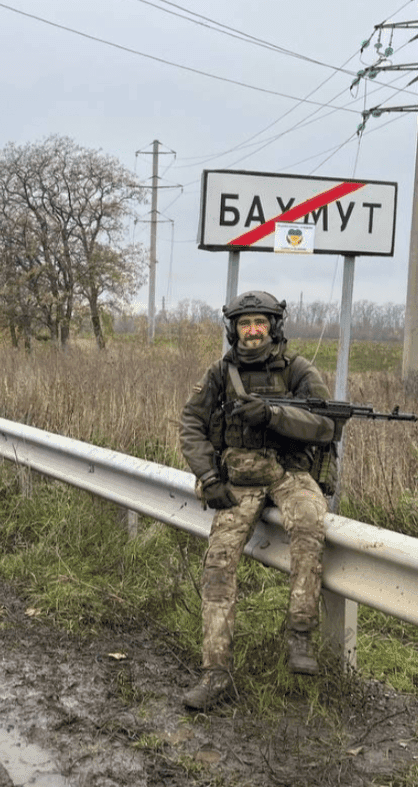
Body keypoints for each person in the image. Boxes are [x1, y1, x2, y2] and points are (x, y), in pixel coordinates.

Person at [178, 290, 336, 710]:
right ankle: (216, 673)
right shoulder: (219, 373)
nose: (252, 331)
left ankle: (300, 636)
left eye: (260, 324)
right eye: (245, 324)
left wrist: (272, 416)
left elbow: (325, 424)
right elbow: (191, 422)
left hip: (289, 473)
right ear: (234, 329)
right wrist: (209, 477)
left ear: (273, 327)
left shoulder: (299, 370)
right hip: (240, 479)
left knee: (307, 524)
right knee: (218, 563)